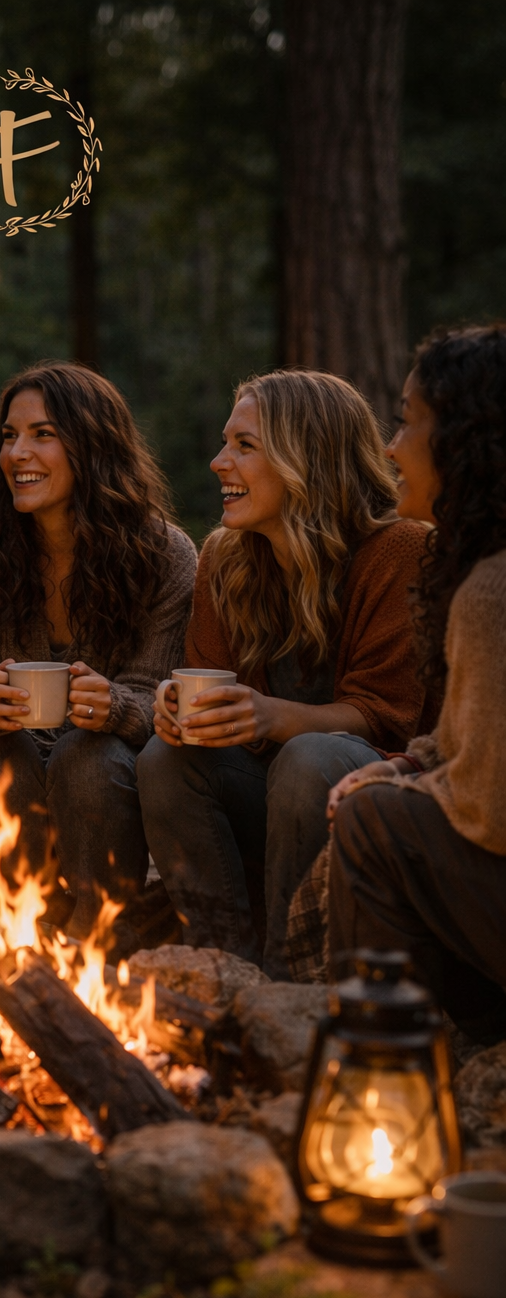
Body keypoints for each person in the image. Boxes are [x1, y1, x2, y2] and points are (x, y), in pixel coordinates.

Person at [138, 369, 431, 978]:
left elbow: (387, 715)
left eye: (245, 445)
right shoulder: (224, 555)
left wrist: (273, 718)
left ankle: (292, 980)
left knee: (308, 759)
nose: (219, 462)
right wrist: (175, 707)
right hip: (267, 793)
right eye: (225, 443)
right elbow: (207, 680)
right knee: (163, 759)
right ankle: (219, 965)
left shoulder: (401, 549)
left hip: (373, 797)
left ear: (308, 457)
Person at [0, 361, 197, 937]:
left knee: (87, 758)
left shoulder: (166, 554)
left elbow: (160, 701)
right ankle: (8, 934)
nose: (17, 453)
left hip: (99, 764)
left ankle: (96, 939)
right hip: (2, 760)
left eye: (42, 434)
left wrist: (117, 706)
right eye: (8, 435)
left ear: (95, 445)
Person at [327, 326, 506, 1044]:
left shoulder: (492, 593)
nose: (393, 447)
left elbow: (490, 814)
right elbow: (467, 741)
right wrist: (405, 766)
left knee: (376, 824)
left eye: (405, 420)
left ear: (465, 440)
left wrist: (392, 793)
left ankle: (380, 1051)